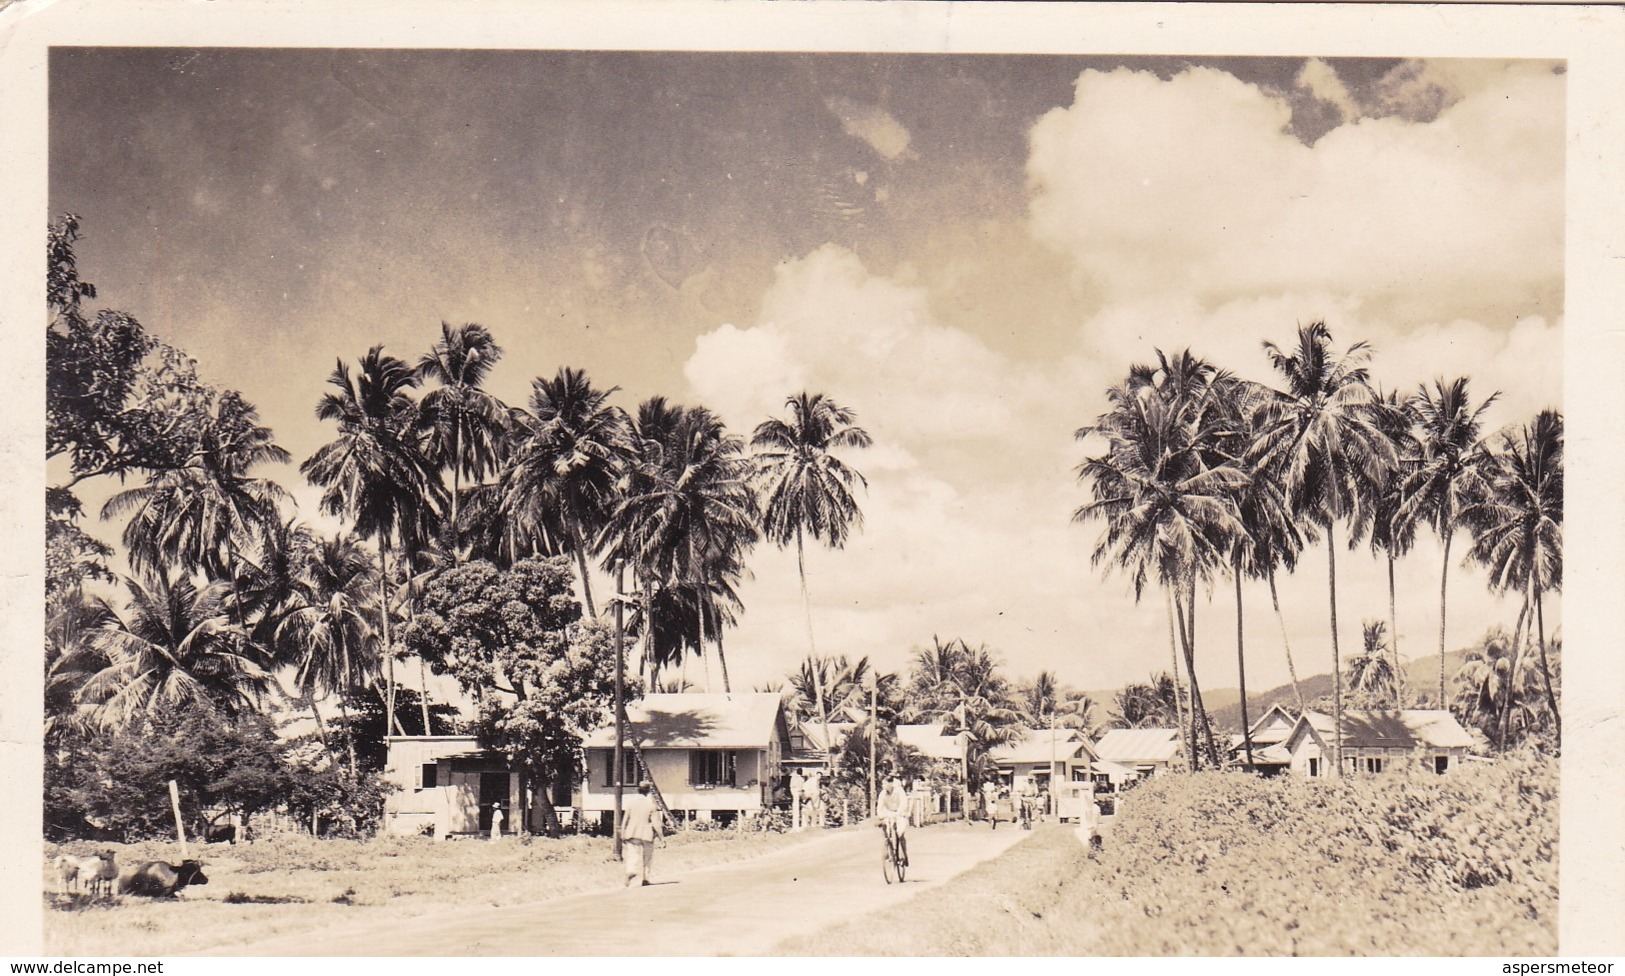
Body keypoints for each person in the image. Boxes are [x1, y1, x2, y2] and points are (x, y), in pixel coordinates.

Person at [619, 779, 664, 887]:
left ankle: (631, 871)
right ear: (648, 791)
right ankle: (645, 878)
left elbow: (625, 819)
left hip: (632, 832)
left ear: (638, 790)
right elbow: (656, 823)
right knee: (647, 857)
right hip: (646, 834)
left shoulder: (631, 803)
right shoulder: (651, 805)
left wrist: (622, 832)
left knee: (632, 854)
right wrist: (662, 838)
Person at [876, 772, 910, 867]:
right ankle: (889, 849)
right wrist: (880, 815)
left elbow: (903, 803)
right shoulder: (883, 794)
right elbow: (879, 806)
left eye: (885, 783)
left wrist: (898, 813)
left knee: (900, 833)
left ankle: (904, 855)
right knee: (885, 827)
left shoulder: (899, 791)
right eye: (882, 784)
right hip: (889, 814)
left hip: (900, 813)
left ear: (891, 783)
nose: (883, 786)